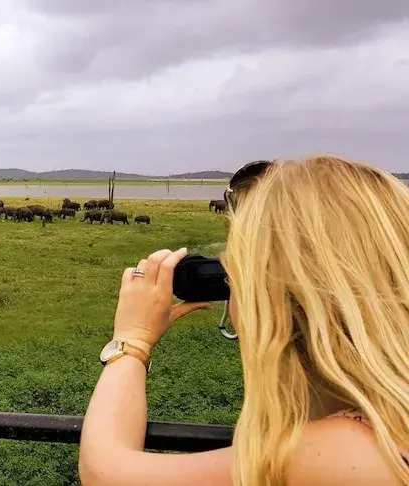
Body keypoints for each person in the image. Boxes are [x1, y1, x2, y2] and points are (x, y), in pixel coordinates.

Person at [79, 155, 409, 485]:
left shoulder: (343, 456)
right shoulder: (387, 426)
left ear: (274, 301)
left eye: (234, 277)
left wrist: (133, 340)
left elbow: (104, 473)